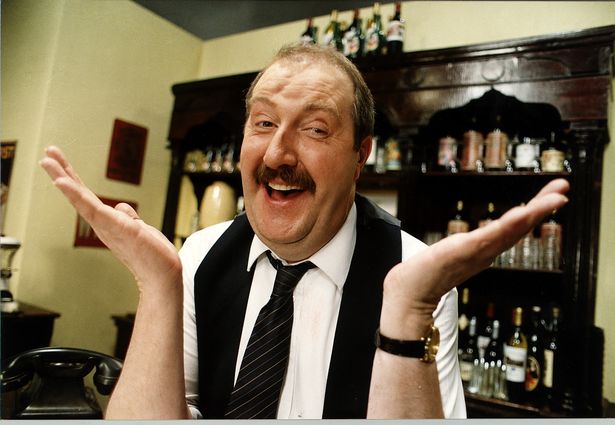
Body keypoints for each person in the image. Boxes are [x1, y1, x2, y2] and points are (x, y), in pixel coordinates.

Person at [39, 43, 569, 419]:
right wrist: (157, 286)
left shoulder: (415, 276)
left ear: (360, 155)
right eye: (264, 123)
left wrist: (408, 313)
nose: (277, 154)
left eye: (315, 129)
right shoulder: (199, 255)